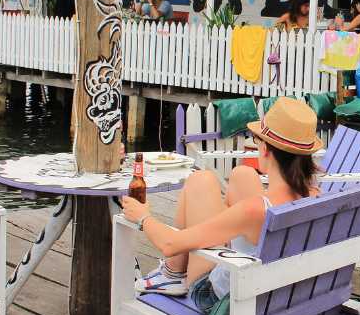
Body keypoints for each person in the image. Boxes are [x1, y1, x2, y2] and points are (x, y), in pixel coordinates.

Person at [120, 97, 323, 301]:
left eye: (257, 140)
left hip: (228, 298)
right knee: (243, 173)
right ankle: (176, 268)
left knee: (201, 180)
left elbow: (170, 244)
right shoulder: (316, 196)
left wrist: (143, 216)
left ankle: (173, 272)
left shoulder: (254, 210)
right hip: (282, 291)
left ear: (266, 150)